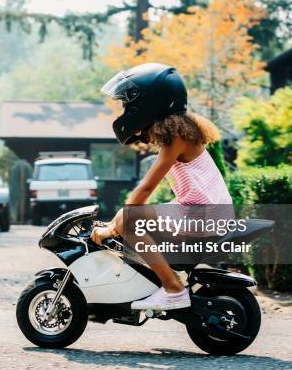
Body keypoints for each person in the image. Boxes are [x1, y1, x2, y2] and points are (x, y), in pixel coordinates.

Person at [91, 63, 232, 311]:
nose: (127, 110)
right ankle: (158, 284)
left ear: (151, 103)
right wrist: (113, 224)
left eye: (129, 104)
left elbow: (146, 188)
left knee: (129, 221)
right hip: (204, 212)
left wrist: (113, 227)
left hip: (203, 215)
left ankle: (174, 289)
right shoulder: (184, 131)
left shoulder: (177, 137)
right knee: (127, 220)